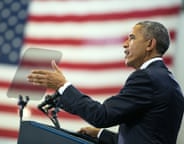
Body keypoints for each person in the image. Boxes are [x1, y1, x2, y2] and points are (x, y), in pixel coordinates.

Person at [27, 20, 184, 144]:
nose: (125, 44)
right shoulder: (168, 81)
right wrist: (99, 133)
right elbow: (145, 138)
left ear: (150, 44)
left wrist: (62, 86)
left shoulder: (146, 78)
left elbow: (101, 116)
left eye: (132, 38)